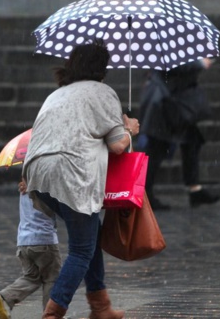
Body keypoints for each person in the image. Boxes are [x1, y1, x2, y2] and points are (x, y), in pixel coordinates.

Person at [23, 39, 138, 319]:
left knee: (90, 236)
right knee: (81, 250)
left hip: (38, 172)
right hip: (72, 173)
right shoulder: (103, 93)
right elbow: (117, 146)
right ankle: (53, 314)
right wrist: (129, 128)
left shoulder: (57, 94)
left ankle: (101, 307)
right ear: (102, 68)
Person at [137, 58, 220, 210]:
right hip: (164, 104)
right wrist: (200, 63)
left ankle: (194, 189)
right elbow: (173, 63)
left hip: (174, 102)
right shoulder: (166, 43)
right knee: (156, 150)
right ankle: (145, 194)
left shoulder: (172, 42)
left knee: (191, 140)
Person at [0, 179, 61, 319]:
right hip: (44, 240)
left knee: (31, 277)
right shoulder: (46, 185)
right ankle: (50, 314)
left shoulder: (25, 185)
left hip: (24, 241)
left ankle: (6, 297)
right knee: (52, 278)